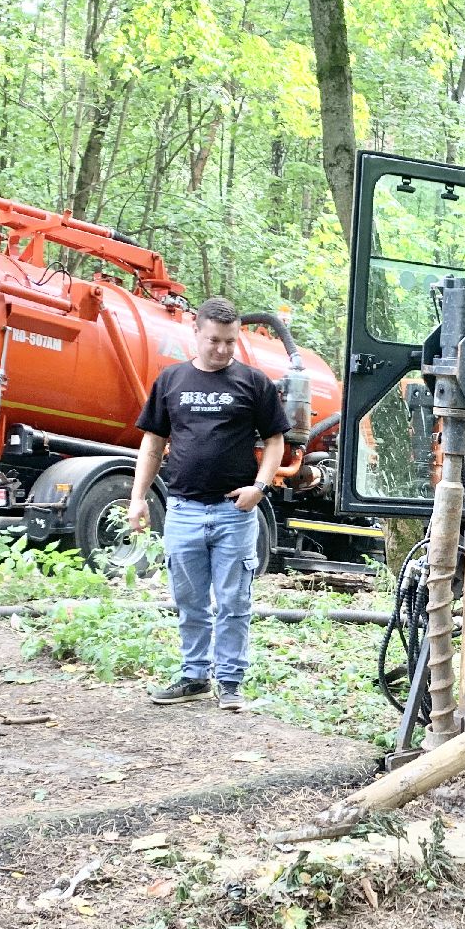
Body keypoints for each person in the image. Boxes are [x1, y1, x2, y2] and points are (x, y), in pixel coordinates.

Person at [127, 297, 289, 711]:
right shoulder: (171, 380)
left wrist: (260, 487)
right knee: (190, 602)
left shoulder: (254, 383)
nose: (221, 349)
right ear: (196, 332)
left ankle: (230, 683)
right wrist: (138, 498)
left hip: (234, 513)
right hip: (183, 511)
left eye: (230, 342)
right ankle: (194, 677)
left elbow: (275, 441)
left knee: (233, 602)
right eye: (214, 340)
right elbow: (152, 444)